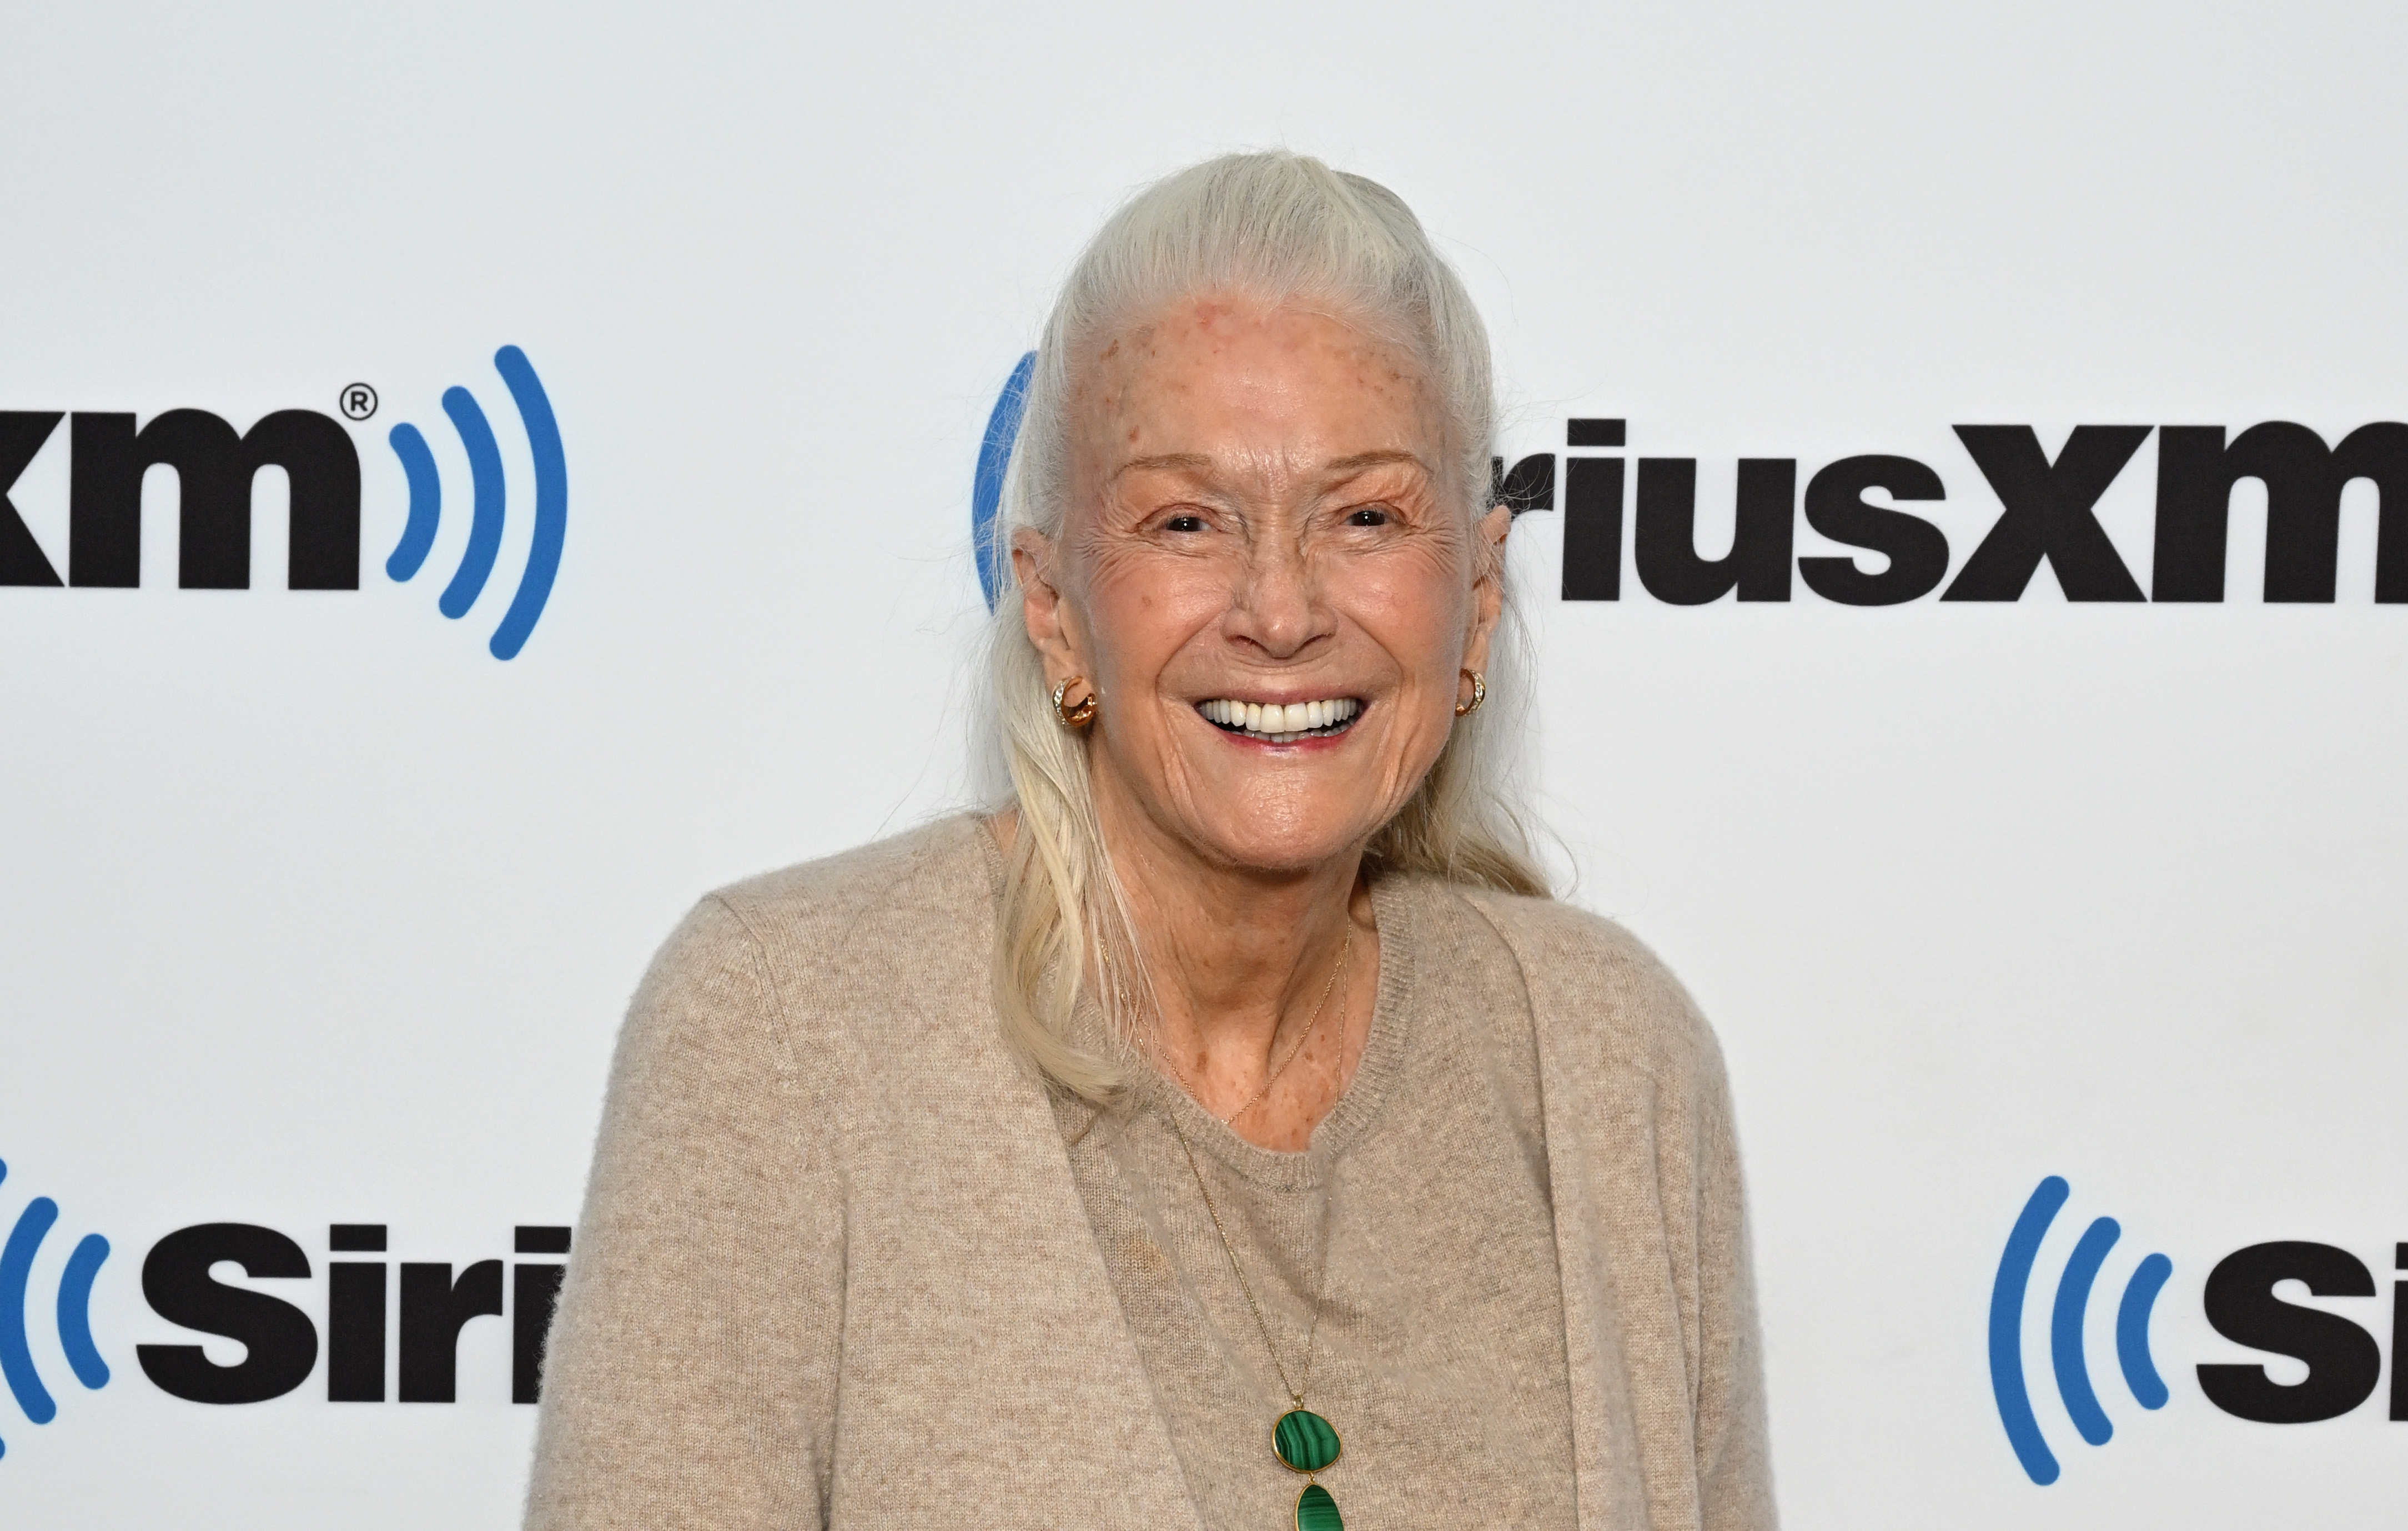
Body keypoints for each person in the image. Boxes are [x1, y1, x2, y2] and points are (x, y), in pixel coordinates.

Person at [525, 151, 1772, 1531]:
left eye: (1365, 516)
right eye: (1188, 520)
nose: (1281, 609)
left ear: (1476, 598)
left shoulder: (1613, 1053)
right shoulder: (783, 1031)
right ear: (1053, 601)